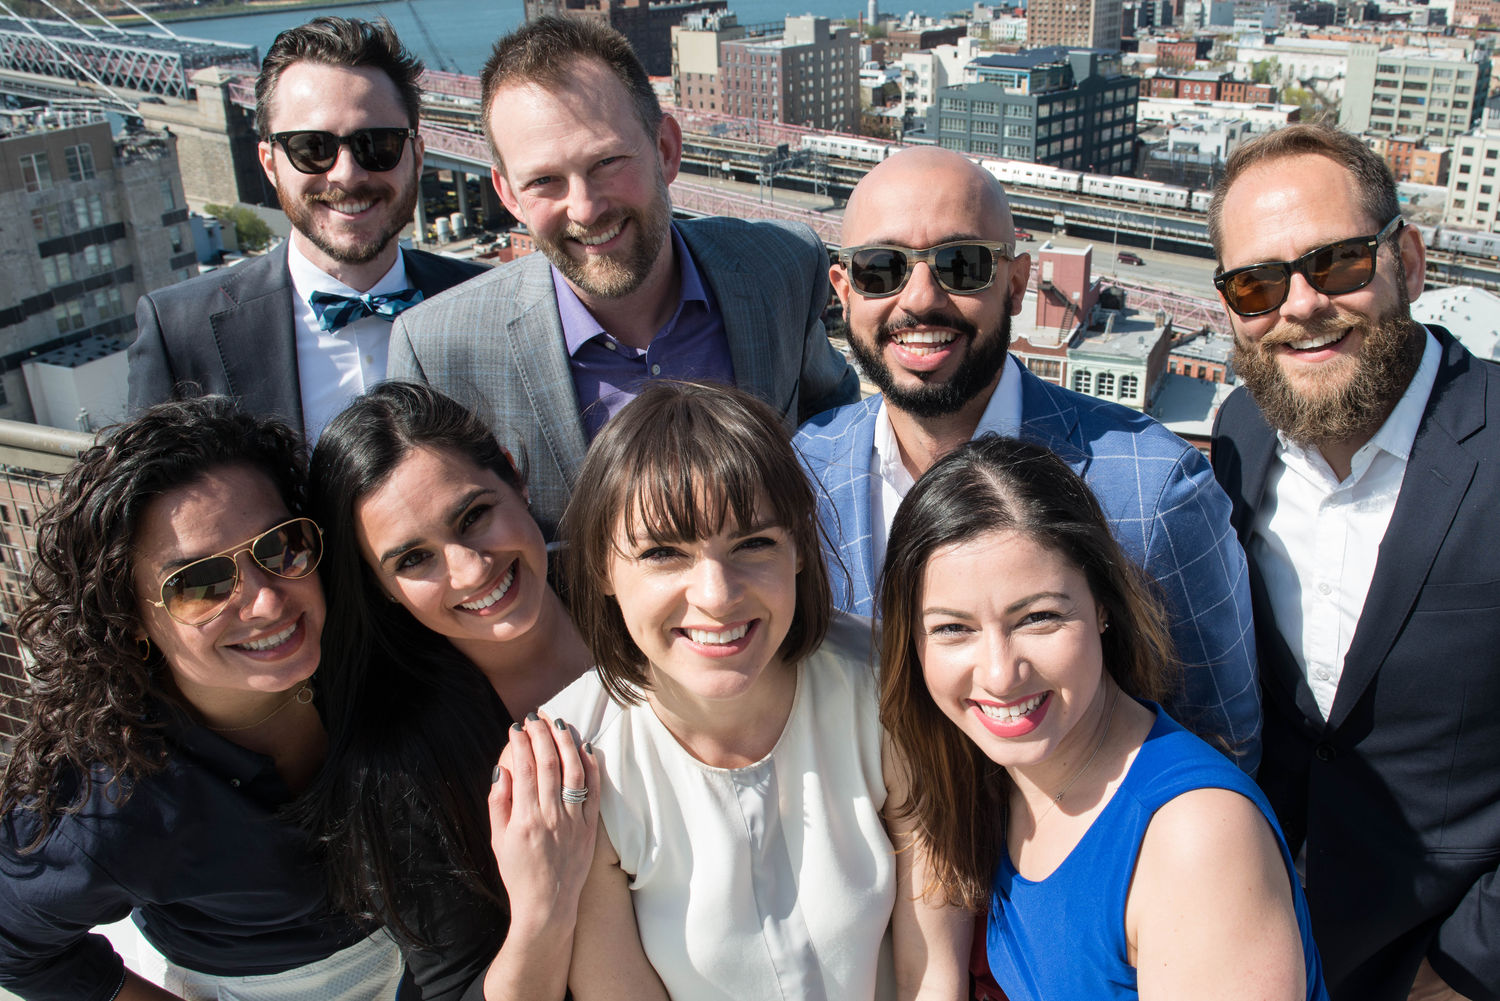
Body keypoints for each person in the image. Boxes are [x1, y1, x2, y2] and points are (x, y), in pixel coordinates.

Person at [793, 146, 1260, 770]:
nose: (920, 299)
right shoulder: (807, 468)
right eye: (882, 268)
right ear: (845, 291)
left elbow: (1221, 740)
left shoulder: (1156, 491)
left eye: (962, 265)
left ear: (1015, 284)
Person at [544, 381, 968, 1000]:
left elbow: (932, 973)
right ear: (601, 566)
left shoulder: (888, 684)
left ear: (799, 547)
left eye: (753, 544)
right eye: (663, 553)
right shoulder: (571, 762)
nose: (716, 596)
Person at [1208, 124, 1500, 1001]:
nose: (1299, 305)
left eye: (1337, 263)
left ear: (1407, 260)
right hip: (1267, 945)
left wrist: (1464, 969)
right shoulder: (1239, 432)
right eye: (1257, 283)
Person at [879, 435, 1328, 1001]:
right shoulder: (982, 776)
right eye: (952, 628)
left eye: (1038, 617)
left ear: (1104, 606)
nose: (999, 674)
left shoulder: (1195, 840)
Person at [387, 17, 860, 540]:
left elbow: (836, 424)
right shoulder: (439, 352)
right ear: (508, 195)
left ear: (666, 150)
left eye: (607, 161)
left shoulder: (780, 265)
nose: (585, 209)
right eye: (544, 180)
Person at [0, 398, 402, 1001]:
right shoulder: (109, 804)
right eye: (199, 583)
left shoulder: (375, 652)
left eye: (281, 545)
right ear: (130, 620)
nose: (267, 601)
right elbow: (15, 946)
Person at [297, 381, 595, 1000]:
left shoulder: (635, 590)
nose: (470, 569)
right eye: (413, 560)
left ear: (514, 476)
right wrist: (544, 905)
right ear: (379, 587)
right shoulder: (401, 770)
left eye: (474, 516)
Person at [128, 17, 485, 439]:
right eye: (312, 148)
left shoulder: (489, 303)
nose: (347, 175)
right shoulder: (179, 332)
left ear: (418, 157)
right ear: (270, 165)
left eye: (378, 145)